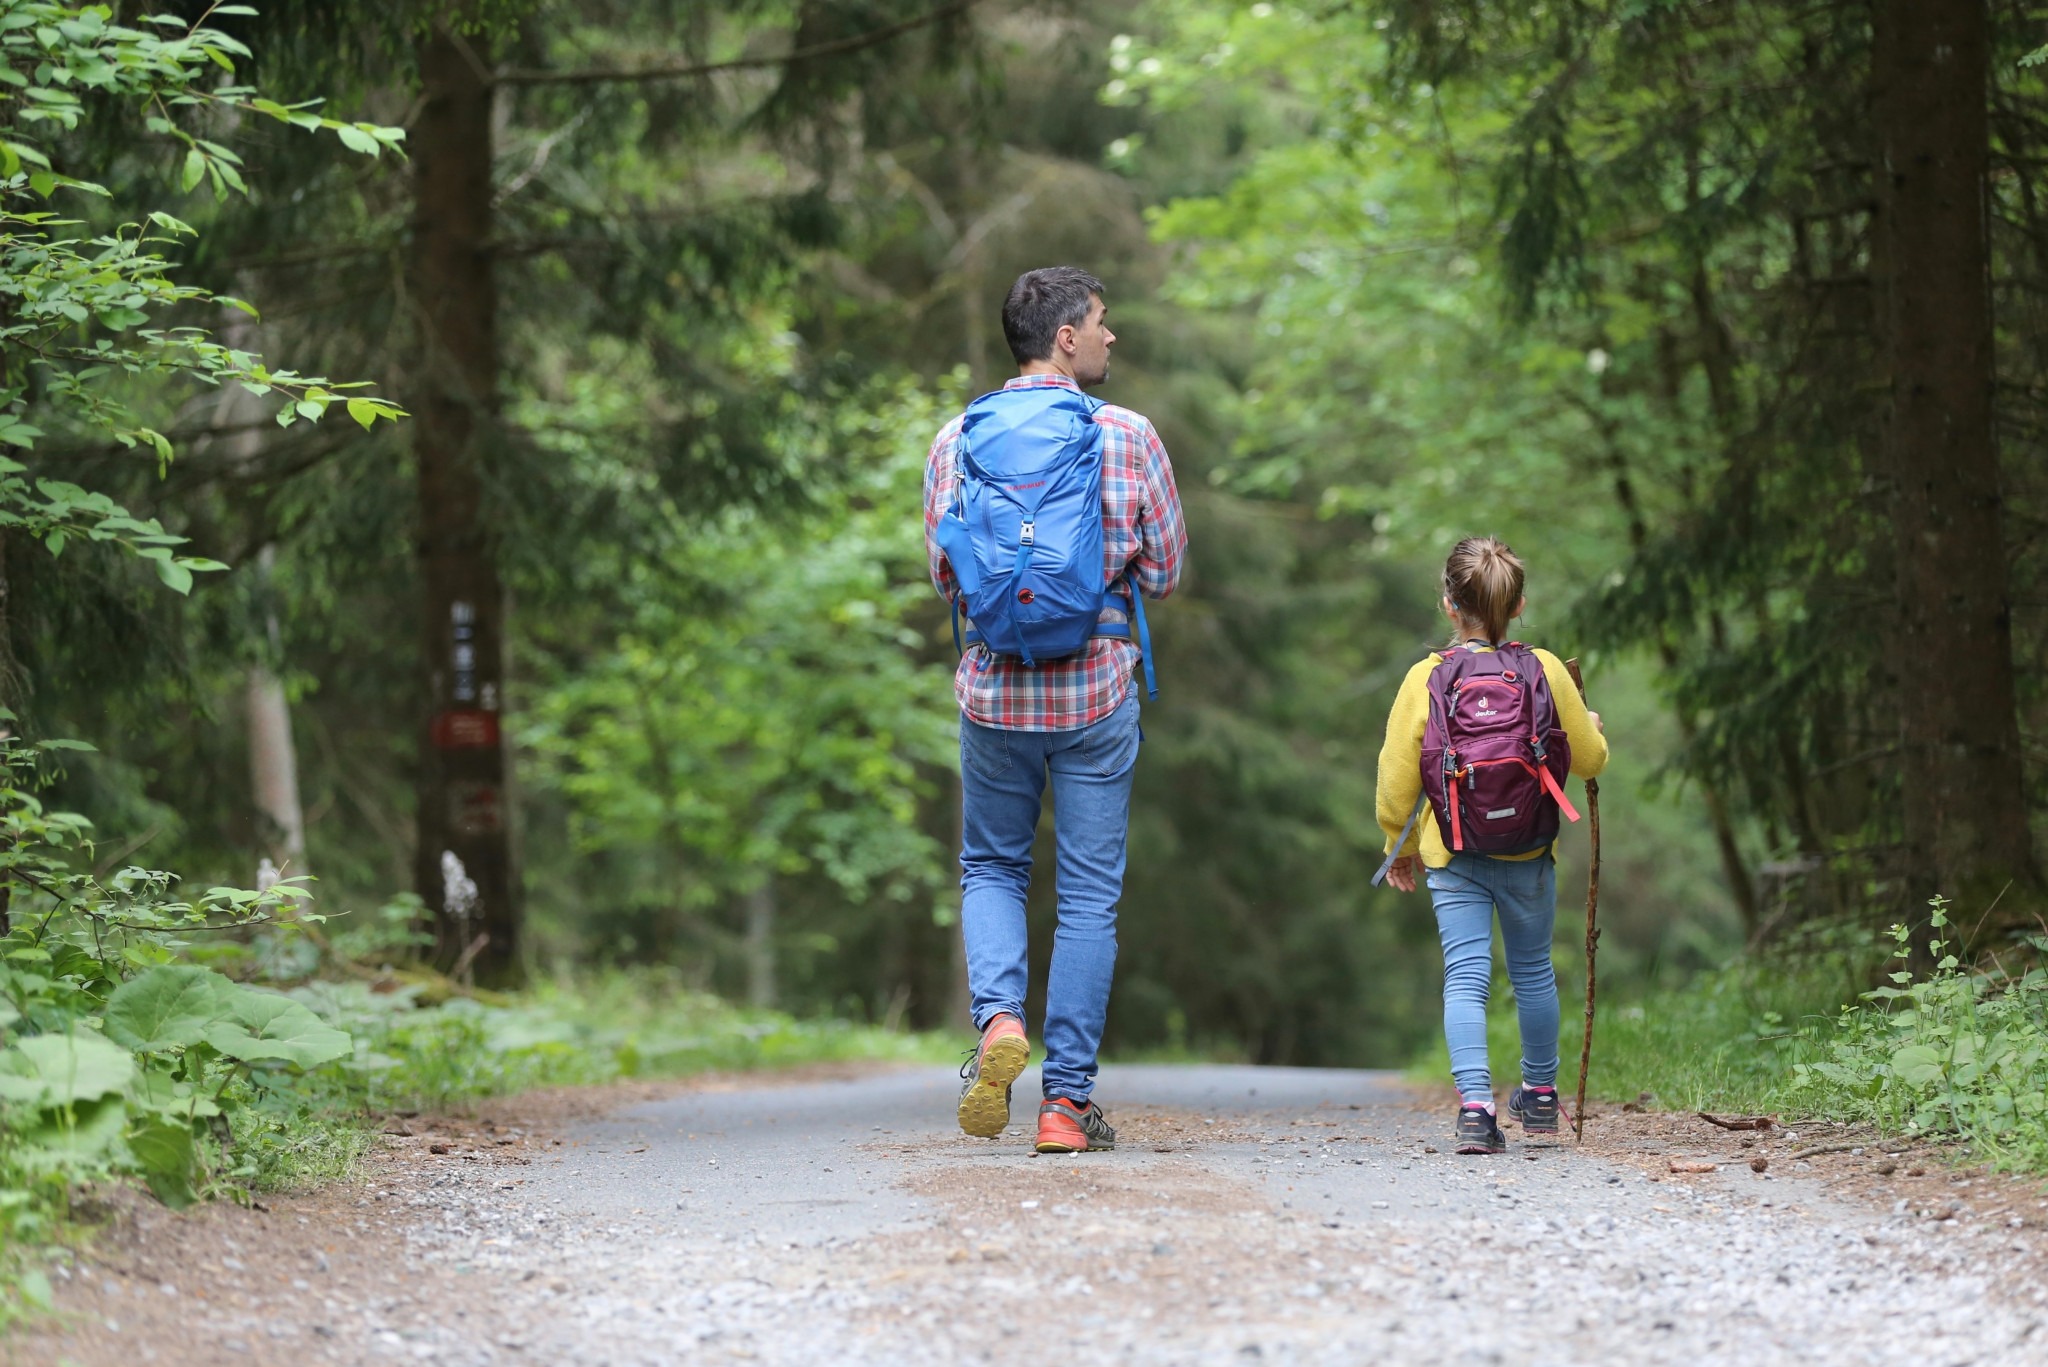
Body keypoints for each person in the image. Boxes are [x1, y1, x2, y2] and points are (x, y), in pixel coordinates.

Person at [923, 266, 1187, 1153]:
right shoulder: (1128, 435)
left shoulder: (956, 438)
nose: (1112, 337)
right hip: (1096, 691)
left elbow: (944, 573)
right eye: (1102, 323)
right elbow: (1168, 570)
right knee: (1087, 897)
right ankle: (1066, 1105)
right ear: (1064, 338)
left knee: (992, 867)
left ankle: (999, 1021)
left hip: (994, 691)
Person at [1376, 537, 1607, 1154]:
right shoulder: (1546, 669)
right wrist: (1591, 727)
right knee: (1532, 973)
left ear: (1448, 605)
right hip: (1529, 852)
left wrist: (1396, 846)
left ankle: (1476, 1110)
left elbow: (1396, 779)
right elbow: (1589, 760)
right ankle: (1538, 1099)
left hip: (1454, 854)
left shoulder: (1426, 677)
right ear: (1520, 604)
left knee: (1465, 978)